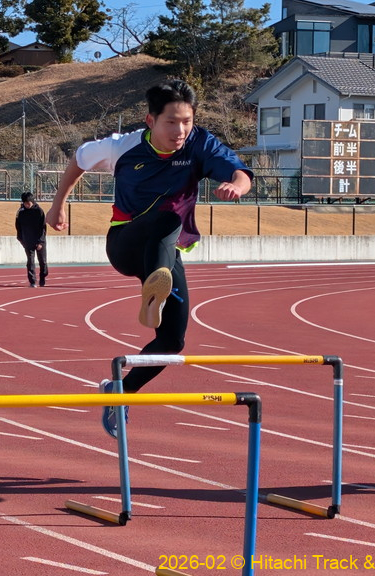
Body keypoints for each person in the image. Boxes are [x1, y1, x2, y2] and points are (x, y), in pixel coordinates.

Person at [46, 79, 252, 437]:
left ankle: (121, 391)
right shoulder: (120, 147)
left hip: (166, 251)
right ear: (150, 121)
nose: (180, 131)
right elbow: (78, 160)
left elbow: (240, 172)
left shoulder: (200, 143)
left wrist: (236, 185)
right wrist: (57, 205)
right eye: (171, 122)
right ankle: (155, 286)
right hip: (126, 244)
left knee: (172, 342)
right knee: (168, 217)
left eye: (187, 121)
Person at [15, 192, 48, 287]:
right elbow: (18, 226)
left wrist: (40, 241)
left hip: (39, 239)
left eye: (28, 203)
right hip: (27, 240)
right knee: (30, 261)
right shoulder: (20, 212)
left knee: (42, 261)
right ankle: (32, 281)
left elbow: (43, 228)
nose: (27, 205)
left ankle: (43, 277)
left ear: (32, 202)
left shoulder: (39, 211)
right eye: (25, 203)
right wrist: (20, 238)